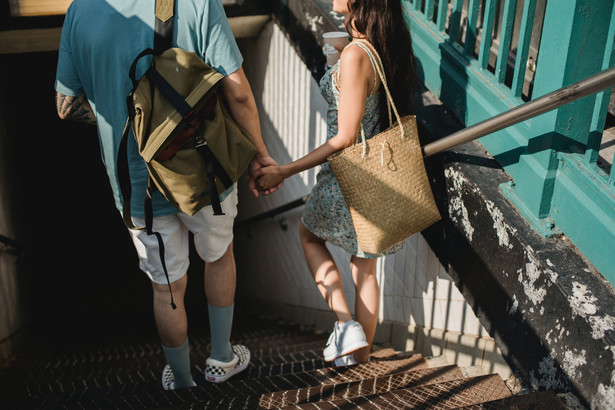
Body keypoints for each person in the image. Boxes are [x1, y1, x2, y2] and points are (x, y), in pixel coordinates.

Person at [55, 0, 280, 390]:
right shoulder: (197, 2)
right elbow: (238, 93)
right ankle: (222, 358)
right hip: (203, 168)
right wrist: (261, 155)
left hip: (134, 183)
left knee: (167, 286)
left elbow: (66, 106)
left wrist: (112, 107)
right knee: (218, 256)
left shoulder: (80, 10)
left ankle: (180, 381)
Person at [255, 0, 416, 366]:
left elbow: (343, 136)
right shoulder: (378, 47)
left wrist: (284, 170)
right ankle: (360, 361)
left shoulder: (357, 55)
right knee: (364, 267)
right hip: (376, 177)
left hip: (346, 176)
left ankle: (345, 324)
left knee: (309, 236)